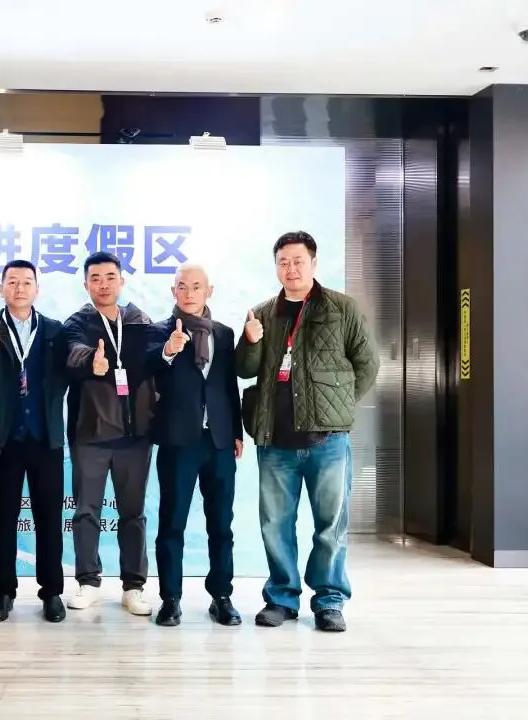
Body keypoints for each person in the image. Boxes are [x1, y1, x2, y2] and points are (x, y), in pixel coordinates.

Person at [236, 231, 379, 633]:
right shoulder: (261, 314)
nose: (291, 269)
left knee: (330, 525)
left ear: (314, 263)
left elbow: (367, 363)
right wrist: (250, 341)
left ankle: (329, 602)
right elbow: (244, 369)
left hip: (327, 441)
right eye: (283, 262)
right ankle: (281, 598)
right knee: (275, 525)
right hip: (275, 441)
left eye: (298, 261)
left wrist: (337, 406)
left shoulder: (342, 308)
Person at [0, 259, 69, 624]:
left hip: (45, 439)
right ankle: (3, 592)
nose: (20, 288)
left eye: (27, 282)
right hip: (5, 439)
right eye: (12, 282)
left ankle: (52, 592)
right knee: (3, 518)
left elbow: (72, 365)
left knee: (49, 519)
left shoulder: (55, 330)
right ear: (2, 289)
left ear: (37, 289)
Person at [147, 262, 243, 627]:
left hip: (218, 441)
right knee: (172, 524)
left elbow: (229, 385)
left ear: (209, 291)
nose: (189, 293)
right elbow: (145, 368)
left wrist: (236, 431)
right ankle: (170, 599)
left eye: (196, 287)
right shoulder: (159, 331)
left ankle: (222, 596)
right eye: (182, 287)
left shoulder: (224, 333)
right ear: (173, 291)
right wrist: (168, 351)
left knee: (221, 525)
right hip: (178, 442)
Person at [63, 251, 157, 617]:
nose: (103, 284)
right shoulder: (77, 322)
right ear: (86, 284)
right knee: (86, 512)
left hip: (136, 434)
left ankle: (134, 587)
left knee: (133, 513)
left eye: (110, 277)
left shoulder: (140, 322)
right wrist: (92, 360)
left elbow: (158, 361)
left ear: (121, 280)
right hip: (91, 433)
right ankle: (88, 582)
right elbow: (72, 353)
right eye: (95, 278)